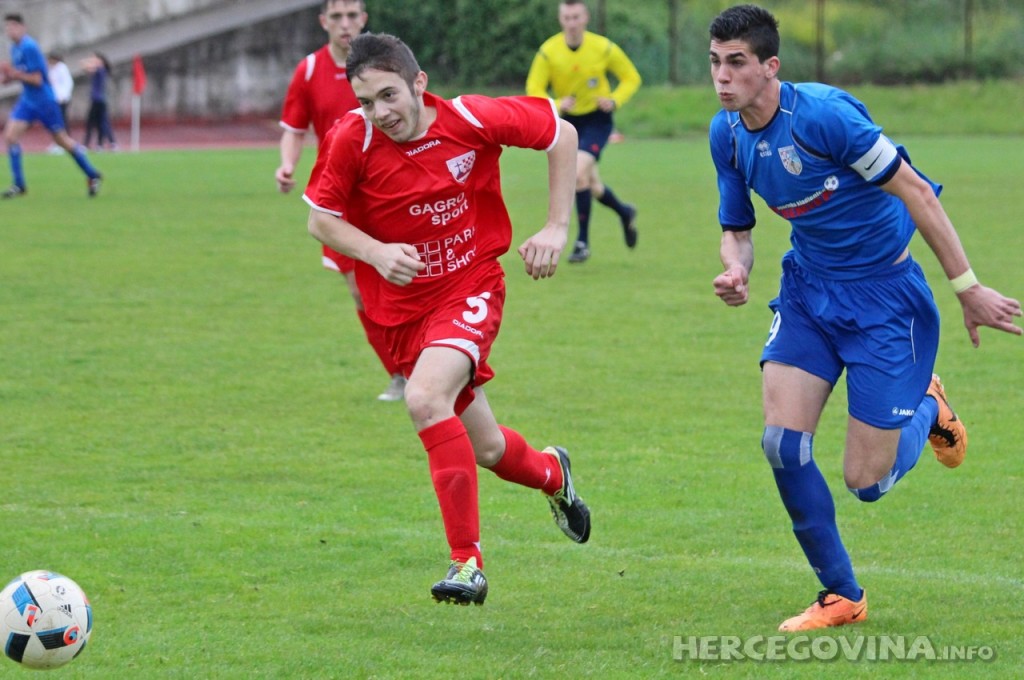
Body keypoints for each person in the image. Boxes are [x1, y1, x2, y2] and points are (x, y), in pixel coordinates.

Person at [707, 4, 1022, 632]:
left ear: (770, 66)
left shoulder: (824, 117)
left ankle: (928, 406)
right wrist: (736, 267)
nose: (722, 76)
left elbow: (917, 192)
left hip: (884, 301)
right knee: (781, 445)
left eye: (736, 62)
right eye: (715, 62)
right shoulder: (728, 134)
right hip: (808, 294)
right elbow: (736, 229)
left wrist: (967, 289)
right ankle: (841, 595)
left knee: (866, 483)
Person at [305, 33, 590, 605]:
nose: (380, 113)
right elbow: (321, 219)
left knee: (425, 398)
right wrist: (376, 252)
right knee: (488, 450)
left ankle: (467, 564)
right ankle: (553, 475)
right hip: (401, 313)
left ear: (419, 83)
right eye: (366, 101)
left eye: (389, 95)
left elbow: (561, 133)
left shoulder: (469, 118)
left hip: (470, 285)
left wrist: (557, 226)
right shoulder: (352, 139)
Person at [276, 0, 406, 403]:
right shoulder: (309, 70)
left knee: (409, 280)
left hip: (392, 190)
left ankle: (433, 362)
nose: (345, 24)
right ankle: (400, 372)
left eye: (352, 16)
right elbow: (295, 128)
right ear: (324, 22)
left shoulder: (384, 64)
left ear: (364, 19)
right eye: (337, 16)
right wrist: (287, 164)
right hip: (339, 199)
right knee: (361, 292)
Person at [526, 0, 641, 264]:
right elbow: (534, 88)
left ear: (585, 17)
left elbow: (631, 77)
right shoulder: (548, 52)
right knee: (592, 185)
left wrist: (614, 100)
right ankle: (625, 212)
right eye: (567, 18)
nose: (572, 23)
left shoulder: (603, 47)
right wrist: (556, 104)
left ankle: (582, 242)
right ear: (560, 19)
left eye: (576, 17)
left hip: (598, 121)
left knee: (577, 175)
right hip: (568, 123)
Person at [1, 13, 102, 198]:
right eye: (7, 27)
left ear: (22, 28)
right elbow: (23, 74)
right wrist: (8, 78)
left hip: (44, 101)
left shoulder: (30, 47)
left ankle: (92, 174)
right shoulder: (15, 48)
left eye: (13, 26)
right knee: (10, 137)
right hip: (28, 101)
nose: (10, 30)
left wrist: (13, 74)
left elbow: (37, 79)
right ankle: (19, 185)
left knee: (62, 141)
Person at [81, 52, 117, 150]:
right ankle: (106, 143)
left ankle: (93, 144)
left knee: (95, 123)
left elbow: (85, 67)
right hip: (98, 100)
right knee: (101, 122)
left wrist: (88, 61)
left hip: (99, 100)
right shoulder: (101, 70)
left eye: (95, 59)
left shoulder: (100, 69)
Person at [46, 52, 72, 154]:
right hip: (55, 99)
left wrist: (64, 96)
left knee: (62, 121)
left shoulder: (62, 68)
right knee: (56, 122)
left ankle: (64, 142)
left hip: (62, 98)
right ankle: (58, 142)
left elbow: (68, 83)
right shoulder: (53, 69)